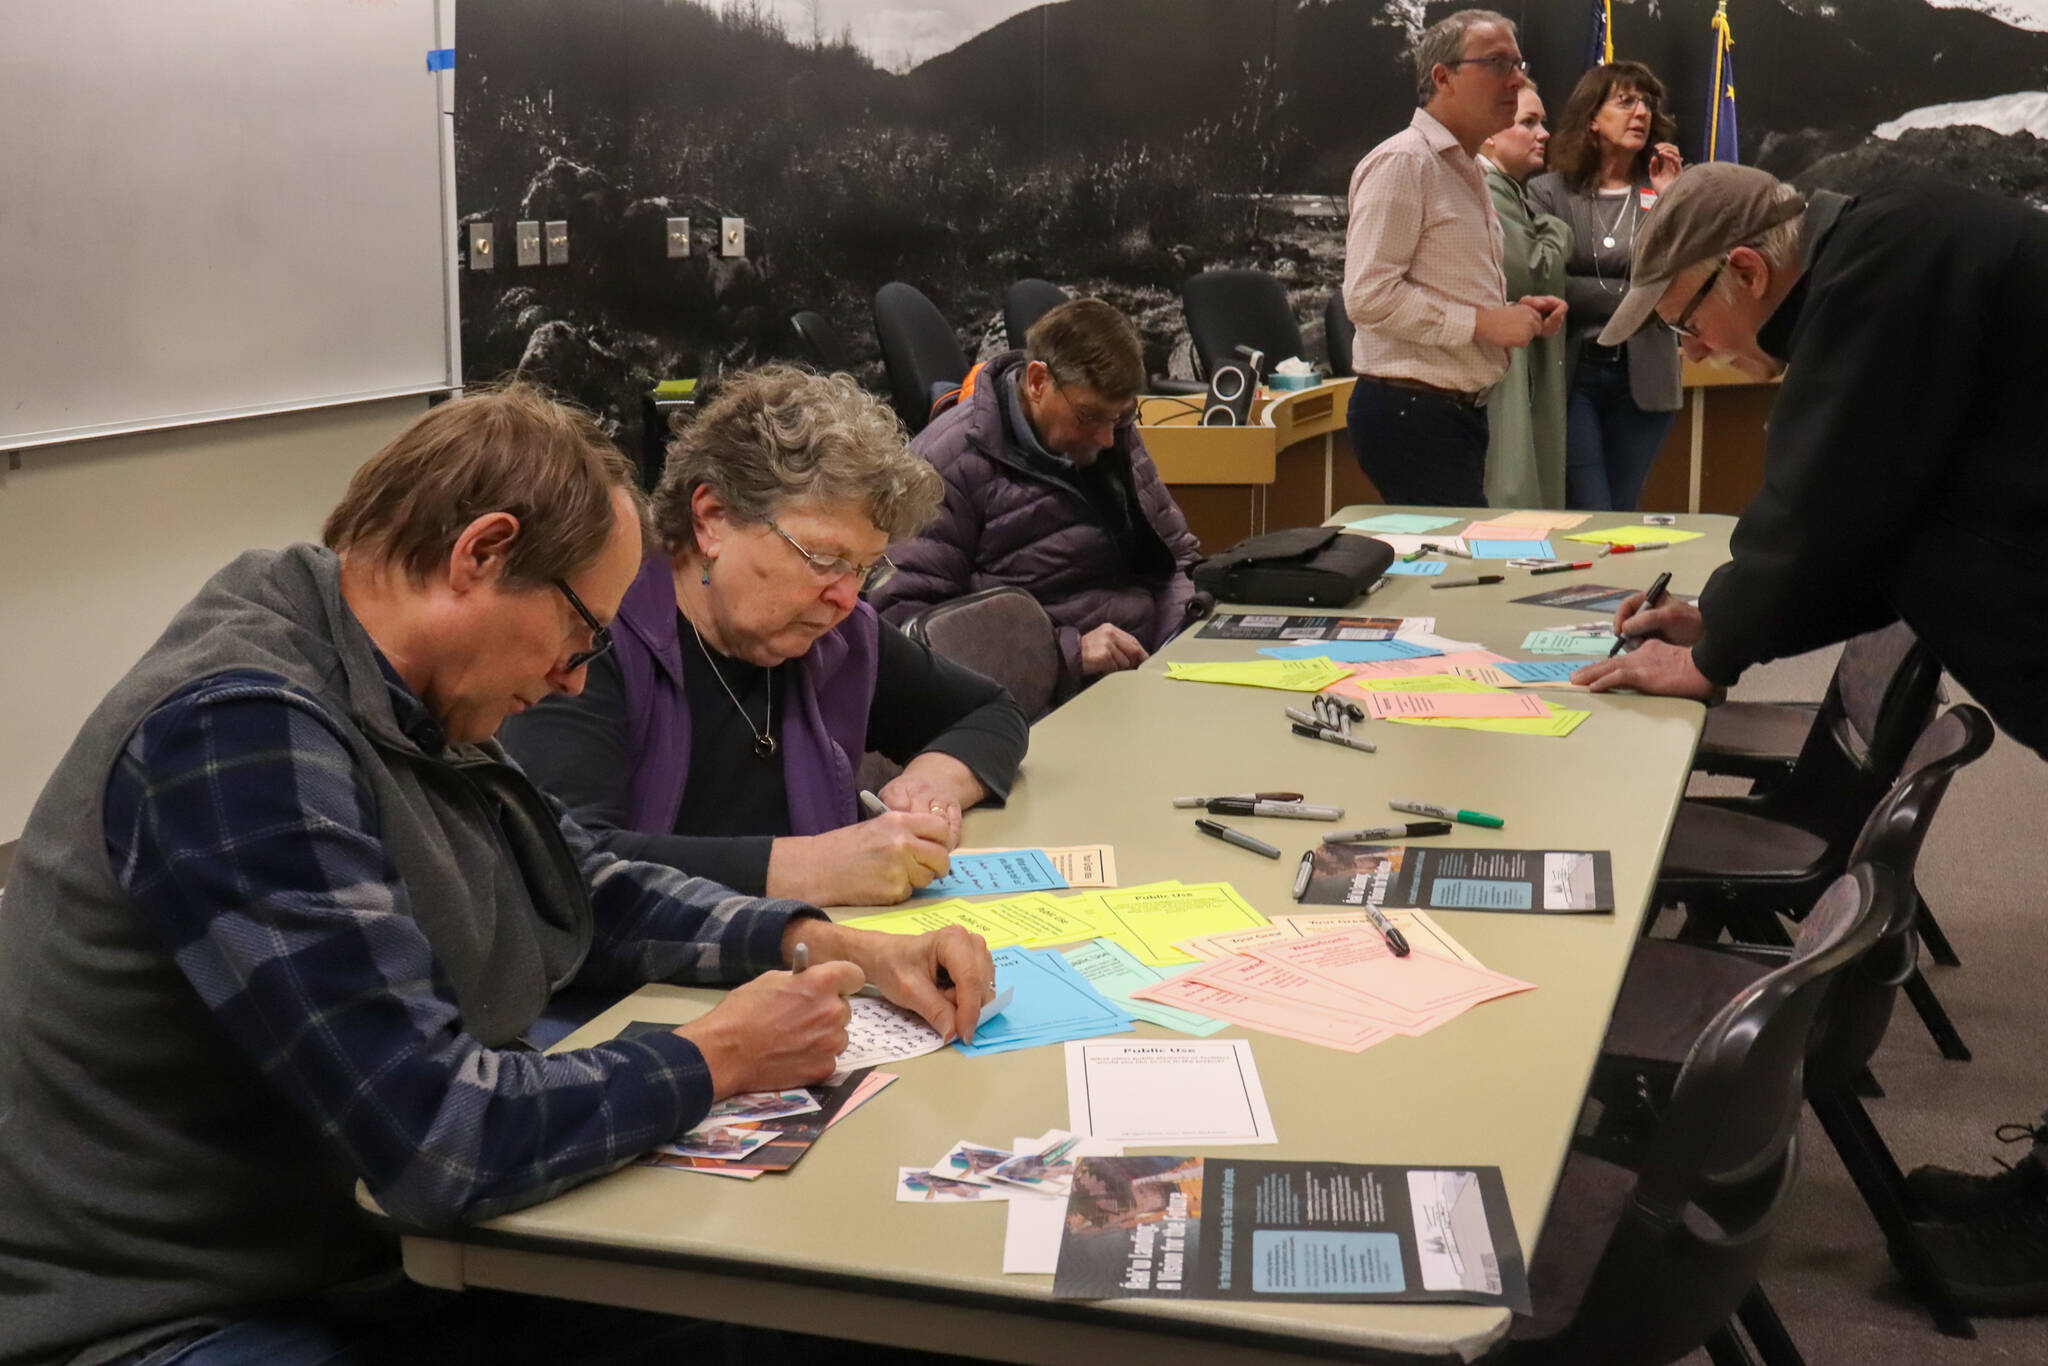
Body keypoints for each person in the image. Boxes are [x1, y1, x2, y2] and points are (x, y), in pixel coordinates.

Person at [0, 385, 997, 1366]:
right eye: (580, 632)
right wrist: (717, 1056)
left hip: (344, 1251)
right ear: (479, 554)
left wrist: (821, 940)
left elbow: (579, 880)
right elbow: (443, 1138)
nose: (574, 677)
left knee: (781, 1324)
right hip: (180, 1309)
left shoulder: (396, 688)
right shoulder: (241, 736)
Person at [1570, 162, 2048, 1312]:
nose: (1698, 352)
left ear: (1744, 269)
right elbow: (1876, 530)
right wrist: (1718, 617)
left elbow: (1824, 490)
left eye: (1690, 323)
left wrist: (1714, 652)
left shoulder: (1887, 261)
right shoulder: (1891, 255)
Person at [501, 366, 1028, 909]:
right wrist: (811, 867)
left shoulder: (837, 637)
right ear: (713, 519)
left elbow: (990, 712)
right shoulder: (594, 639)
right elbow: (562, 861)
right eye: (824, 559)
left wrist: (935, 782)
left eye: (866, 568)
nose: (846, 597)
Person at [869, 298, 1202, 698]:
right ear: (1038, 381)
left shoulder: (1112, 431)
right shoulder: (949, 462)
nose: (1106, 438)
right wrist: (1066, 652)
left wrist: (1178, 643)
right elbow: (906, 626)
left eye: (1119, 418)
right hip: (1037, 698)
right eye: (1087, 416)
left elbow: (1179, 558)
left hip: (1142, 676)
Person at [1340, 8, 1566, 508]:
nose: (1519, 78)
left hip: (1451, 411)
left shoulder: (1464, 168)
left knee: (1461, 570)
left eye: (1519, 63)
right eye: (1499, 64)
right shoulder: (1405, 162)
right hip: (1412, 411)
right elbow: (1368, 296)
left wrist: (1517, 313)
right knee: (1458, 573)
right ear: (1443, 77)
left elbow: (1444, 285)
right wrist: (1483, 324)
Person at [1527, 62, 1685, 511]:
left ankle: (1615, 585)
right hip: (1574, 373)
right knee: (1589, 511)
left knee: (1622, 512)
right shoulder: (1548, 193)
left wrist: (1670, 201)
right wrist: (1639, 299)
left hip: (1645, 380)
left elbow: (1677, 278)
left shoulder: (1665, 189)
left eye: (1647, 103)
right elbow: (1549, 281)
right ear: (1592, 117)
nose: (1641, 113)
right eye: (1625, 101)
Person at [1477, 79, 1572, 509]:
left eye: (1543, 122)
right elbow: (1532, 274)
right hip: (1503, 372)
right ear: (1491, 136)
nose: (1544, 134)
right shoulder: (1490, 191)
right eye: (1528, 122)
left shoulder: (1512, 192)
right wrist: (1556, 229)